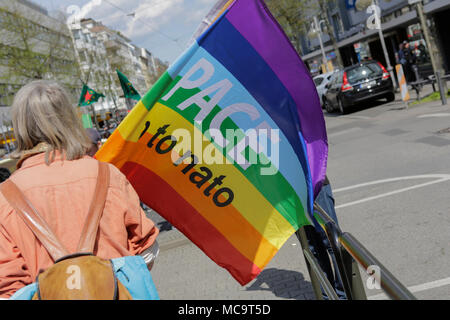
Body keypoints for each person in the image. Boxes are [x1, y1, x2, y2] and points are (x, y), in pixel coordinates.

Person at [0, 80, 159, 299]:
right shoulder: (107, 174)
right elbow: (147, 249)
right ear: (68, 118)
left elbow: (7, 286)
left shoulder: (5, 197)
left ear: (19, 127)